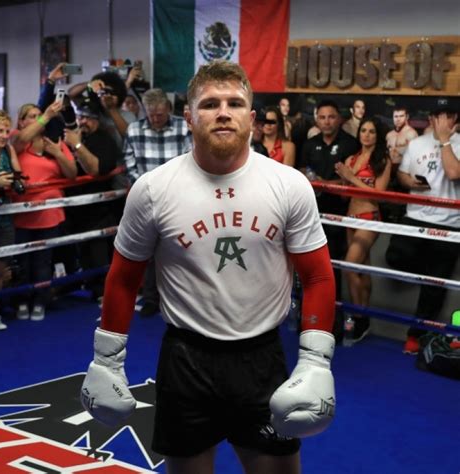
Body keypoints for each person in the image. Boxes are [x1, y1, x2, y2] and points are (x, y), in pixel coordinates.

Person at [81, 60, 337, 474]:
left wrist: (315, 360)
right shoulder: (153, 190)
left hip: (261, 358)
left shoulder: (288, 185)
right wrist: (106, 361)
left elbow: (319, 276)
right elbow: (124, 278)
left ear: (251, 118)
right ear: (189, 116)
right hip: (186, 359)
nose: (223, 112)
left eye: (235, 103)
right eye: (210, 104)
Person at [386, 98, 459, 355]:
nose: (442, 121)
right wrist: (411, 182)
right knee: (394, 257)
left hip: (450, 222)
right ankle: (428, 270)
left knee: (435, 285)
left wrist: (445, 141)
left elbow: (453, 172)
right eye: (438, 115)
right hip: (416, 217)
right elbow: (402, 174)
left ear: (455, 120)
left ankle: (415, 336)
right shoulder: (417, 144)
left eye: (448, 115)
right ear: (430, 118)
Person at [123, 87, 192, 317]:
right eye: (151, 114)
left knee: (185, 249)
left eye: (160, 114)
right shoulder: (134, 130)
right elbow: (129, 163)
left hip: (180, 197)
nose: (155, 118)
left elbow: (192, 159)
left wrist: (179, 190)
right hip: (148, 200)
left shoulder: (184, 126)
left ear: (168, 109)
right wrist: (144, 190)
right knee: (150, 252)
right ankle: (151, 299)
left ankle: (182, 299)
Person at [11, 101, 77, 321]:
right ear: (21, 122)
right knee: (22, 263)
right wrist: (47, 115)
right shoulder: (17, 143)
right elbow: (21, 138)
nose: (37, 119)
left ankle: (40, 300)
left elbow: (72, 174)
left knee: (43, 262)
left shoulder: (55, 141)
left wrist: (57, 153)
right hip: (22, 214)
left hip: (50, 214)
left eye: (38, 115)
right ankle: (21, 300)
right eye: (31, 116)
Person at [301, 99, 359, 341]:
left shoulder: (350, 144)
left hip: (339, 217)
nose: (326, 121)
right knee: (307, 268)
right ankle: (308, 318)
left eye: (331, 117)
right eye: (322, 117)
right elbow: (302, 175)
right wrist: (324, 184)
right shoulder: (309, 144)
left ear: (340, 119)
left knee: (333, 269)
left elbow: (348, 182)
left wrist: (322, 184)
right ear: (317, 120)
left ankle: (333, 322)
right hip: (310, 214)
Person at [335, 118, 391, 341]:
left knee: (349, 266)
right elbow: (347, 192)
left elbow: (380, 194)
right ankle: (364, 316)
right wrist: (341, 180)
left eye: (372, 131)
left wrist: (351, 177)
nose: (367, 135)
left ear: (378, 135)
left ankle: (360, 318)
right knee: (362, 268)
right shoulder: (352, 158)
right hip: (351, 216)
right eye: (364, 131)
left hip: (370, 217)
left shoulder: (382, 160)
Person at [62, 103, 120, 301]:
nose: (83, 121)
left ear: (98, 120)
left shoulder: (105, 141)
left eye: (88, 117)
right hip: (74, 210)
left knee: (99, 255)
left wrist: (77, 146)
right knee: (79, 253)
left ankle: (105, 294)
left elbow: (95, 169)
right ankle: (84, 287)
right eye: (81, 117)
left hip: (99, 211)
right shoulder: (73, 137)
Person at [0, 110, 22, 333]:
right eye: (0, 131)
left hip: (5, 217)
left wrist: (13, 181)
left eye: (7, 131)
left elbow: (18, 176)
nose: (4, 135)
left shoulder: (8, 150)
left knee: (0, 270)